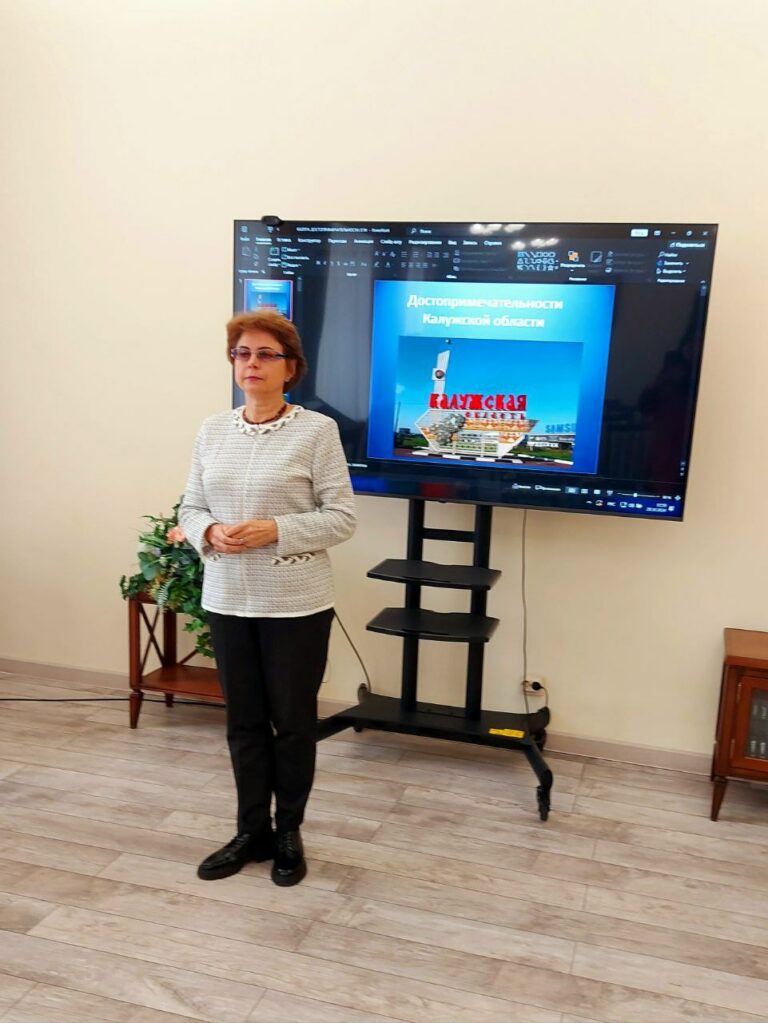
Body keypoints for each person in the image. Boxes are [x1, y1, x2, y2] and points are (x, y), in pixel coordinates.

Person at [179, 309, 356, 886]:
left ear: (291, 368)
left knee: (294, 724)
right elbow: (191, 506)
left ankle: (288, 832)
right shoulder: (212, 429)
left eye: (264, 354)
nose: (250, 363)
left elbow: (341, 518)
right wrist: (209, 531)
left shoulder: (317, 431)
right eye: (242, 353)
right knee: (244, 723)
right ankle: (250, 830)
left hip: (296, 604)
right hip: (228, 599)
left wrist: (275, 529)